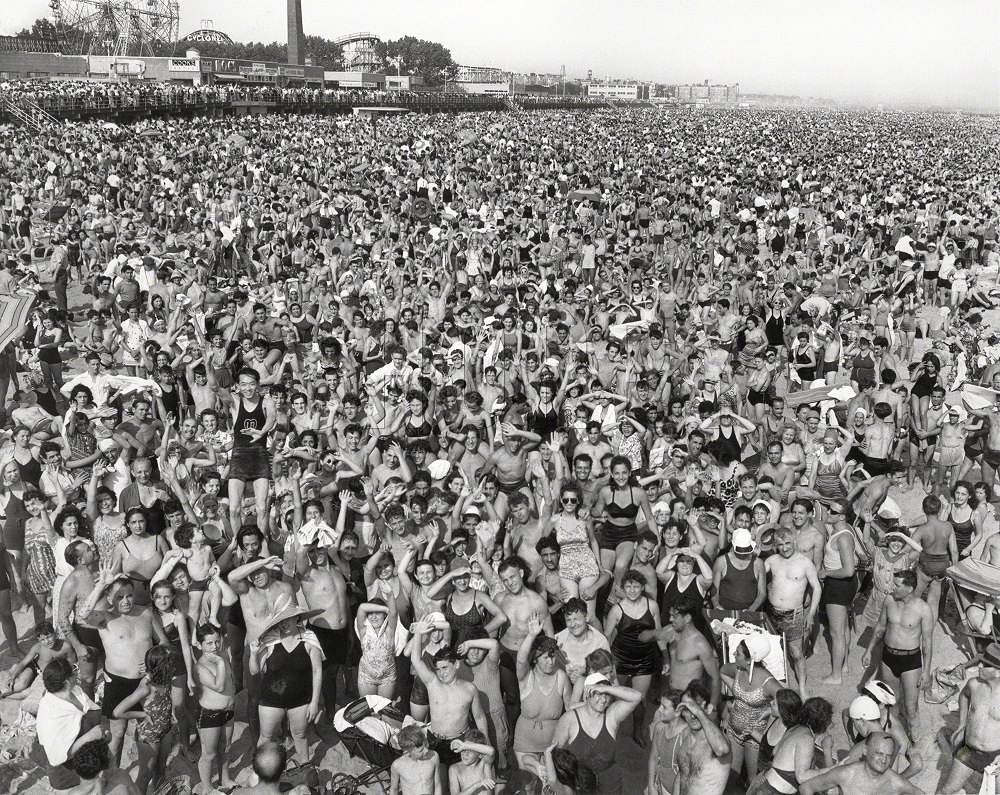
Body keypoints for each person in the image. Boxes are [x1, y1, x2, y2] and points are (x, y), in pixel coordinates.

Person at [251, 599, 325, 764]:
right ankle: (260, 773)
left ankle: (305, 767)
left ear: (297, 617)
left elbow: (317, 672)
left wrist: (314, 702)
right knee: (266, 738)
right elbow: (254, 670)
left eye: (287, 618)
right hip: (271, 699)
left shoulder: (309, 638)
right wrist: (253, 654)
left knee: (300, 735)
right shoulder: (270, 639)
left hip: (300, 699)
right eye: (280, 620)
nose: (284, 623)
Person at [862, 569, 933, 734]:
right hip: (888, 659)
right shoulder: (889, 600)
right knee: (891, 702)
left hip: (910, 662)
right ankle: (894, 739)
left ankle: (917, 743)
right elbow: (880, 627)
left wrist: (927, 671)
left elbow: (927, 643)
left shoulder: (923, 609)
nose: (892, 588)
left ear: (909, 588)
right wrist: (869, 650)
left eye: (897, 585)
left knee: (911, 707)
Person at [552, 673, 641, 795]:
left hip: (610, 783)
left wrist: (605, 688)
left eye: (606, 695)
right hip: (581, 783)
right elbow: (556, 753)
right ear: (587, 693)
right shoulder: (570, 719)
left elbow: (636, 697)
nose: (603, 699)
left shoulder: (612, 715)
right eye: (598, 694)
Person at [763, 528, 820, 696]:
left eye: (787, 543)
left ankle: (802, 688)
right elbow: (754, 575)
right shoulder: (772, 560)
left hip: (793, 614)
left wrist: (810, 615)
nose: (785, 548)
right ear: (776, 545)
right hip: (771, 612)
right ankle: (773, 686)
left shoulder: (805, 563)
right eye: (780, 545)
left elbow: (817, 588)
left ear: (794, 540)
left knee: (796, 653)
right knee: (771, 651)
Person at [939, 655, 1000, 793]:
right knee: (946, 790)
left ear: (998, 672)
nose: (979, 667)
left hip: (996, 756)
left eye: (985, 665)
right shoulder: (974, 684)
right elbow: (963, 695)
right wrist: (962, 724)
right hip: (968, 751)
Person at [799, 732, 925, 794]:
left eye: (888, 756)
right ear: (865, 750)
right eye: (879, 753)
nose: (884, 760)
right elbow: (806, 787)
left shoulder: (895, 782)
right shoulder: (846, 774)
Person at [671, 680, 731, 795]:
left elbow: (722, 749)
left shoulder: (717, 741)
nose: (693, 715)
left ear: (707, 709)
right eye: (688, 709)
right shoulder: (686, 736)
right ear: (682, 712)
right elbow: (682, 774)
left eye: (696, 708)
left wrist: (698, 711)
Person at [391, 725, 442, 795]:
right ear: (407, 752)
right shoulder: (398, 765)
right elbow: (394, 789)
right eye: (420, 750)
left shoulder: (434, 757)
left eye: (426, 744)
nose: (426, 750)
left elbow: (437, 785)